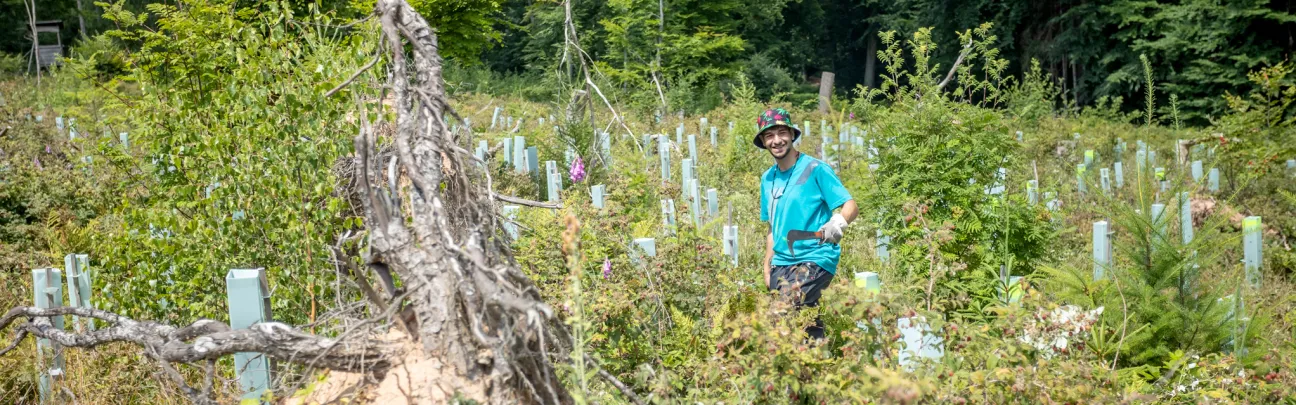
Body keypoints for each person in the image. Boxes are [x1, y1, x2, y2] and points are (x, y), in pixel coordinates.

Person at [755, 108, 858, 340]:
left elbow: (850, 206)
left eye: (782, 133)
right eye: (769, 136)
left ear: (792, 135)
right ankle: (817, 368)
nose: (777, 140)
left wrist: (838, 223)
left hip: (815, 257)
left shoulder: (815, 169)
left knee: (783, 313)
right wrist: (766, 265)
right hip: (781, 262)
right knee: (806, 325)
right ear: (763, 141)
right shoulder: (767, 179)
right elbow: (772, 228)